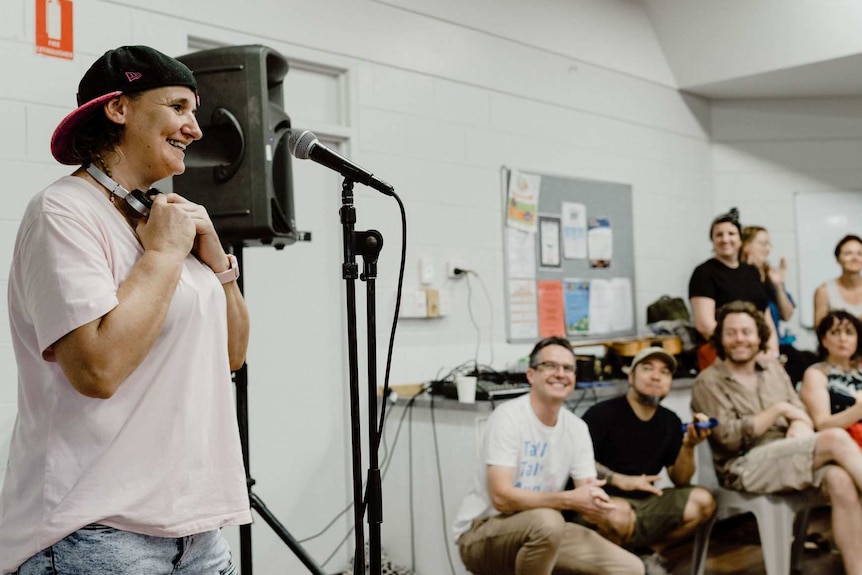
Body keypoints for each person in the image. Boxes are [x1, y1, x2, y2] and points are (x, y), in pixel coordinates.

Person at [0, 46, 251, 574]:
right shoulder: (64, 211)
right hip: (95, 535)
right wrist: (162, 255)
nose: (195, 128)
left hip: (197, 532)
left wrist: (218, 267)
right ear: (119, 108)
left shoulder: (166, 218)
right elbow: (98, 369)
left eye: (195, 111)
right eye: (179, 107)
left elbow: (232, 354)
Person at [691, 300, 862, 575]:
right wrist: (779, 411)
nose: (740, 339)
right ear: (720, 338)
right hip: (743, 465)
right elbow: (727, 439)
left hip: (787, 453)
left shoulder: (773, 370)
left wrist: (801, 427)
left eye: (746, 332)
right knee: (835, 438)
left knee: (840, 480)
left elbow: (803, 413)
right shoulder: (708, 381)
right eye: (731, 332)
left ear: (759, 336)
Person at [453, 336, 645, 575]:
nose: (560, 373)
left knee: (630, 568)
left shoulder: (576, 428)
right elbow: (501, 498)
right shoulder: (508, 417)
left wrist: (598, 507)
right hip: (483, 532)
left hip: (545, 530)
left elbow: (585, 494)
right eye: (550, 366)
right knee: (548, 522)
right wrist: (570, 499)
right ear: (531, 374)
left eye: (568, 368)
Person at [579, 347, 715, 574]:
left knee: (702, 501)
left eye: (664, 372)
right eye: (647, 368)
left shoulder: (670, 421)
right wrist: (620, 480)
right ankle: (616, 566)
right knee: (617, 515)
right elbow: (578, 463)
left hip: (647, 504)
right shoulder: (601, 414)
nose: (656, 376)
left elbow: (681, 480)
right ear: (631, 377)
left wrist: (688, 445)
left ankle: (648, 554)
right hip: (602, 502)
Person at [689, 209, 778, 370]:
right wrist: (742, 350)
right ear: (712, 240)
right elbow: (705, 325)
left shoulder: (751, 271)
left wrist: (772, 350)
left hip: (759, 352)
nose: (725, 239)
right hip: (722, 354)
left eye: (731, 233)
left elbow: (765, 317)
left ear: (740, 239)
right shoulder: (704, 273)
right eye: (719, 235)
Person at [740, 225, 815, 384]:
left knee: (808, 366)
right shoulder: (738, 275)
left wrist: (778, 285)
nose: (767, 249)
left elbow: (787, 314)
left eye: (769, 244)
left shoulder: (770, 275)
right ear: (746, 245)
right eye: (762, 243)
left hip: (779, 344)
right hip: (755, 344)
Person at [799, 311, 862, 437]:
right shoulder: (816, 374)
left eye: (849, 333)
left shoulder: (860, 372)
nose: (843, 339)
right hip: (840, 440)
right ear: (824, 340)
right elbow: (822, 424)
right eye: (835, 333)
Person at [814, 234, 862, 327]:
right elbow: (820, 330)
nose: (855, 258)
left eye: (860, 253)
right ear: (838, 258)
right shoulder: (824, 291)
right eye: (848, 253)